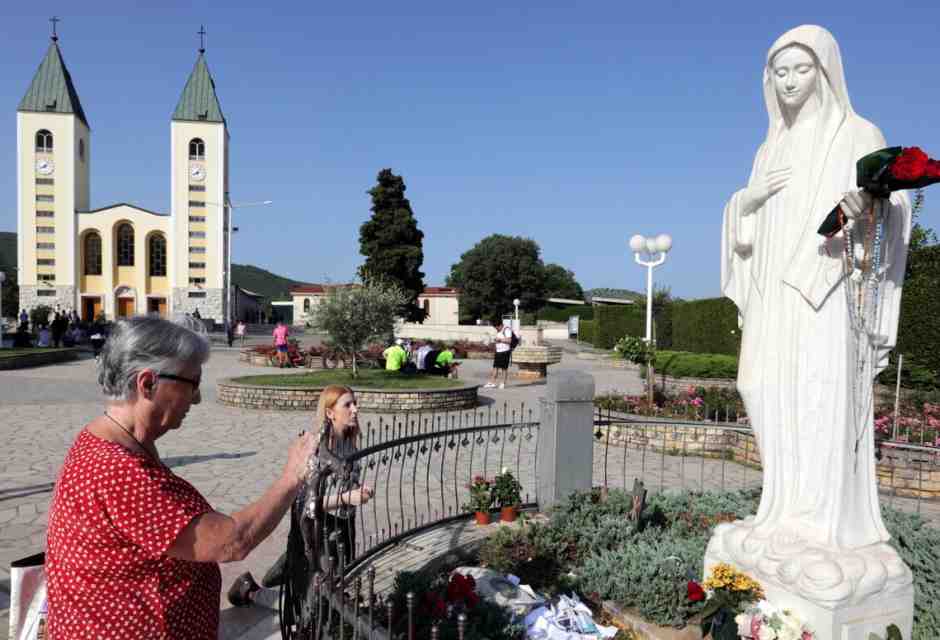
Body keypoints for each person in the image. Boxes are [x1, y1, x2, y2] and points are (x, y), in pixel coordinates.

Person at [714, 25, 912, 582]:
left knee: (819, 396)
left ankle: (821, 525)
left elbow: (893, 211)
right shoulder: (767, 146)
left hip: (827, 292)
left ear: (824, 73)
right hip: (772, 293)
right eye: (780, 72)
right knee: (759, 384)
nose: (790, 82)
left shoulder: (857, 132)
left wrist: (870, 205)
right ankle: (781, 509)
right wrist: (743, 204)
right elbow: (745, 229)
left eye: (802, 70)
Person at [44, 316, 317, 639]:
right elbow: (231, 542)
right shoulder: (118, 469)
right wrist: (292, 476)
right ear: (147, 384)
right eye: (192, 383)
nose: (198, 398)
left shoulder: (115, 441)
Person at [226, 385, 373, 607]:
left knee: (332, 588)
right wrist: (346, 498)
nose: (355, 409)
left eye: (355, 403)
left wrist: (359, 490)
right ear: (330, 412)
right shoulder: (318, 449)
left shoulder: (348, 442)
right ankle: (250, 590)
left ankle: (288, 567)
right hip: (319, 530)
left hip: (343, 528)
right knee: (309, 606)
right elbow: (306, 503)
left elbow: (344, 483)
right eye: (348, 405)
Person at [484, 321, 514, 389]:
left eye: (496, 327)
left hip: (505, 351)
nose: (496, 329)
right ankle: (492, 382)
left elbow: (509, 341)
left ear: (500, 325)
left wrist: (500, 340)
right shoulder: (499, 331)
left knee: (504, 368)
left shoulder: (507, 330)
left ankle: (502, 383)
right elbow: (499, 340)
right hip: (498, 351)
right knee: (495, 367)